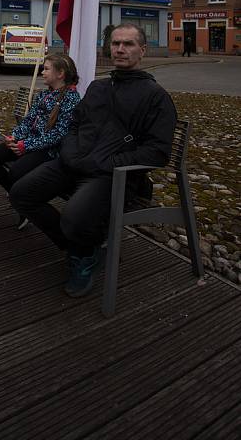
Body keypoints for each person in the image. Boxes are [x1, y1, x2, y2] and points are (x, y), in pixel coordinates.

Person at [9, 24, 177, 298]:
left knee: (74, 218)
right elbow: (75, 124)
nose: (120, 49)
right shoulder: (98, 88)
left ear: (142, 51)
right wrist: (71, 153)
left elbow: (157, 152)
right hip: (74, 163)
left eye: (128, 44)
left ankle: (83, 256)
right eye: (115, 43)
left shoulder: (155, 97)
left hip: (111, 175)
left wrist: (106, 163)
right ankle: (86, 250)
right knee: (21, 193)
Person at [0, 52, 80, 229]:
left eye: (47, 69)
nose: (42, 72)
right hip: (27, 143)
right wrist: (15, 136)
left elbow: (58, 134)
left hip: (48, 151)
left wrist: (25, 146)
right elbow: (28, 121)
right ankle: (17, 200)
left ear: (60, 74)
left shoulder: (71, 99)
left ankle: (22, 203)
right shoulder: (43, 95)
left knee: (16, 172)